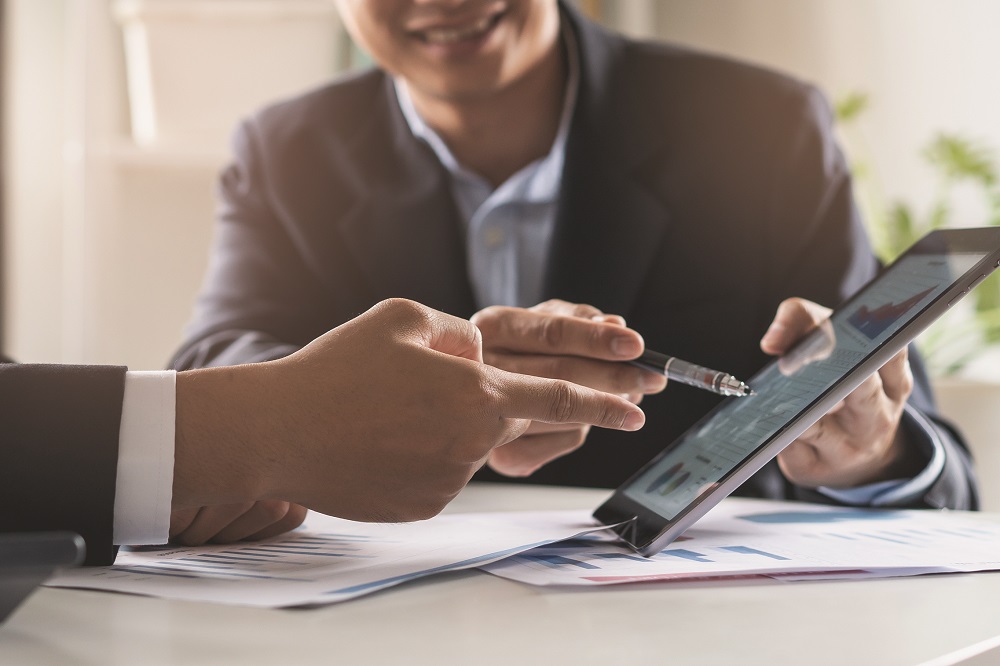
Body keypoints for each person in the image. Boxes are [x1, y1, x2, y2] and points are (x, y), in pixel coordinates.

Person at [171, 0, 976, 517]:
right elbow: (213, 367)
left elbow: (937, 466)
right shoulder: (285, 150)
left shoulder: (759, 126)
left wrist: (870, 452)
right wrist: (369, 393)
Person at [0, 299, 644, 565]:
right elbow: (217, 341)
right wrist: (244, 428)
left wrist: (174, 461)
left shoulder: (714, 107)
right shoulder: (289, 140)